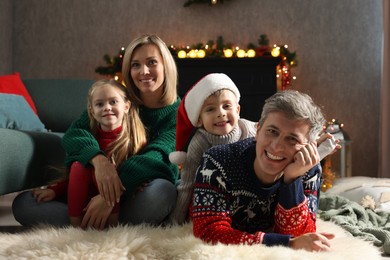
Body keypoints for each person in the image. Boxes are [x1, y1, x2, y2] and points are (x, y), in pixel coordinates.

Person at [12, 34, 181, 229]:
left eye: (152, 62)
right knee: (24, 204)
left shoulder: (179, 113)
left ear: (165, 66)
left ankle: (96, 222)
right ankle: (96, 223)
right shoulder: (117, 99)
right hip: (92, 192)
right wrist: (100, 162)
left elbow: (156, 157)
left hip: (134, 196)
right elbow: (75, 133)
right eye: (135, 65)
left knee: (164, 191)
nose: (144, 71)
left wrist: (109, 196)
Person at [190, 90, 336, 252]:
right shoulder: (217, 161)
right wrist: (285, 243)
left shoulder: (308, 168)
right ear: (258, 130)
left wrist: (292, 180)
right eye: (272, 131)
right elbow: (208, 232)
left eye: (292, 139)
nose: (276, 146)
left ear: (308, 146)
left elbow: (301, 236)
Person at [31, 79, 146, 228]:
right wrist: (55, 191)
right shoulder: (88, 140)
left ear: (126, 106)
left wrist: (140, 182)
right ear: (91, 111)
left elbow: (139, 170)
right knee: (79, 166)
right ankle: (77, 228)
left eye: (113, 102)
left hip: (119, 204)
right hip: (85, 200)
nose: (107, 108)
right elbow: (72, 175)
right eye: (100, 104)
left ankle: (112, 226)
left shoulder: (135, 140)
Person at [168, 73, 257, 225]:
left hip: (245, 193)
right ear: (199, 119)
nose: (221, 113)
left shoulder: (250, 131)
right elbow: (188, 184)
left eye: (226, 106)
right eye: (210, 109)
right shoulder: (199, 143)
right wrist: (175, 222)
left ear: (237, 110)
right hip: (210, 195)